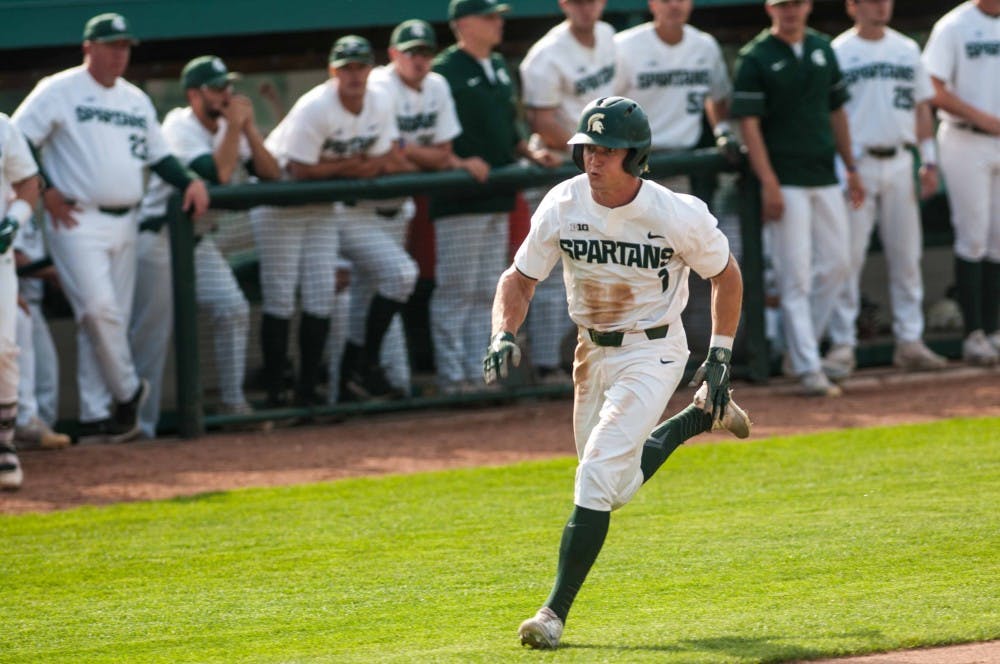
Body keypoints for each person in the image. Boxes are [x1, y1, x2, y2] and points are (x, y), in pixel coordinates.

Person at [483, 96, 750, 649]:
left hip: (654, 352)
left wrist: (718, 355)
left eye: (607, 151)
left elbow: (726, 275)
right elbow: (519, 277)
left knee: (596, 474)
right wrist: (503, 331)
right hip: (592, 354)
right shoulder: (563, 202)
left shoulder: (674, 212)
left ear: (637, 157)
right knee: (614, 486)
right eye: (588, 148)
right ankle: (698, 419)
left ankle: (553, 614)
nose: (593, 160)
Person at [11, 13, 209, 443]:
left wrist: (189, 180)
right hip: (77, 217)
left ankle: (98, 417)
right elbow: (18, 138)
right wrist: (45, 188)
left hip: (127, 218)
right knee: (99, 310)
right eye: (112, 45)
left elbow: (159, 155)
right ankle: (129, 390)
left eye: (125, 46)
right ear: (89, 48)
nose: (120, 53)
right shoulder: (59, 89)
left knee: (102, 321)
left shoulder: (134, 98)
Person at [254, 35, 416, 407]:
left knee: (320, 297)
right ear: (333, 72)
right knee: (279, 299)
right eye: (346, 68)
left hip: (324, 205)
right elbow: (300, 169)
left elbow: (383, 158)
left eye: (360, 66)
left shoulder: (379, 101)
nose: (354, 75)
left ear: (370, 70)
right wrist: (348, 169)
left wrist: (336, 171)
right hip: (281, 202)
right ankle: (276, 395)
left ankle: (308, 393)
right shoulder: (316, 106)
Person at [131, 55, 281, 436]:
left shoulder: (230, 127)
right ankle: (138, 425)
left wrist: (248, 130)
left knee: (232, 309)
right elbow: (220, 173)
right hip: (159, 239)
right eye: (217, 89)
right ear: (194, 94)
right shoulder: (178, 125)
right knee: (152, 334)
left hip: (198, 242)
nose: (226, 95)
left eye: (228, 87)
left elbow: (271, 173)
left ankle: (233, 402)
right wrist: (234, 126)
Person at [343, 20, 488, 400]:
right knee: (376, 286)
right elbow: (389, 156)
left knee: (378, 292)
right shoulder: (379, 85)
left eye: (425, 52)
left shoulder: (436, 84)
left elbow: (439, 151)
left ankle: (373, 381)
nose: (419, 60)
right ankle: (352, 378)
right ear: (394, 56)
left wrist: (416, 154)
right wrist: (429, 158)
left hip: (396, 210)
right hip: (354, 210)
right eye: (411, 53)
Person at [730, 0, 865, 397]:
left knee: (838, 264)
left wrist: (851, 167)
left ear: (808, 6)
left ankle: (798, 350)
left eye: (796, 3)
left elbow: (837, 111)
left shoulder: (823, 48)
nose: (789, 11)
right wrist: (768, 181)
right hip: (784, 177)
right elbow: (748, 125)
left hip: (824, 173)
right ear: (770, 9)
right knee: (796, 275)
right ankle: (807, 365)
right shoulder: (754, 56)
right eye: (781, 5)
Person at [431, 0, 561, 395]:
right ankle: (455, 378)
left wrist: (528, 151)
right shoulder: (444, 71)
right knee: (458, 289)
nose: (497, 23)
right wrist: (457, 160)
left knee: (488, 286)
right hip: (460, 199)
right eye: (488, 17)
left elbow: (509, 127)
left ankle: (480, 374)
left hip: (499, 193)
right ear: (463, 24)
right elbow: (432, 135)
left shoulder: (499, 66)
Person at [824, 0, 947, 375]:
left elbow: (921, 107)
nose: (881, 6)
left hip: (899, 158)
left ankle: (910, 341)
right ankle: (843, 345)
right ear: (853, 7)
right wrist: (844, 165)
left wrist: (928, 159)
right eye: (872, 1)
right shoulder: (839, 50)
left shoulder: (906, 47)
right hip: (857, 162)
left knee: (907, 256)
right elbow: (832, 112)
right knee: (850, 257)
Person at [518, 0, 618, 383]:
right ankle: (543, 366)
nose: (586, 7)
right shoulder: (545, 55)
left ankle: (588, 359)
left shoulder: (609, 36)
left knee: (599, 265)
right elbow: (543, 122)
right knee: (545, 269)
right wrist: (598, 154)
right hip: (557, 171)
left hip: (599, 171)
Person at [922, 0, 1000, 365]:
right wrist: (984, 119)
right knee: (973, 235)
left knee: (998, 238)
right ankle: (974, 334)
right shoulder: (953, 25)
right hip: (965, 138)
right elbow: (932, 89)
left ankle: (994, 329)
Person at [614, 0, 736, 163]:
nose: (674, 5)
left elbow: (718, 97)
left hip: (686, 155)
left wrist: (722, 130)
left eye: (680, 0)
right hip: (632, 156)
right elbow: (604, 100)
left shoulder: (705, 45)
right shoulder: (623, 45)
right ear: (652, 5)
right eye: (665, 0)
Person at [1, 113, 41, 490]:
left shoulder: (1, 126)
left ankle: (4, 446)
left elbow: (29, 182)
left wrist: (13, 220)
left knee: (3, 352)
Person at [13, 217, 70, 449]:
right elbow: (14, 258)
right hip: (15, 302)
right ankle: (25, 427)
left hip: (32, 303)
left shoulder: (25, 205)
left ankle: (35, 435)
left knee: (46, 376)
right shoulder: (6, 200)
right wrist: (52, 272)